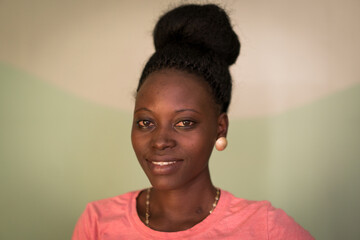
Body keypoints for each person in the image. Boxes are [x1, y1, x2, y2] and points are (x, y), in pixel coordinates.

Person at [72, 4, 314, 239]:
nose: (160, 141)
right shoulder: (98, 222)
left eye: (184, 122)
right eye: (146, 122)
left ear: (220, 127)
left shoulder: (266, 229)